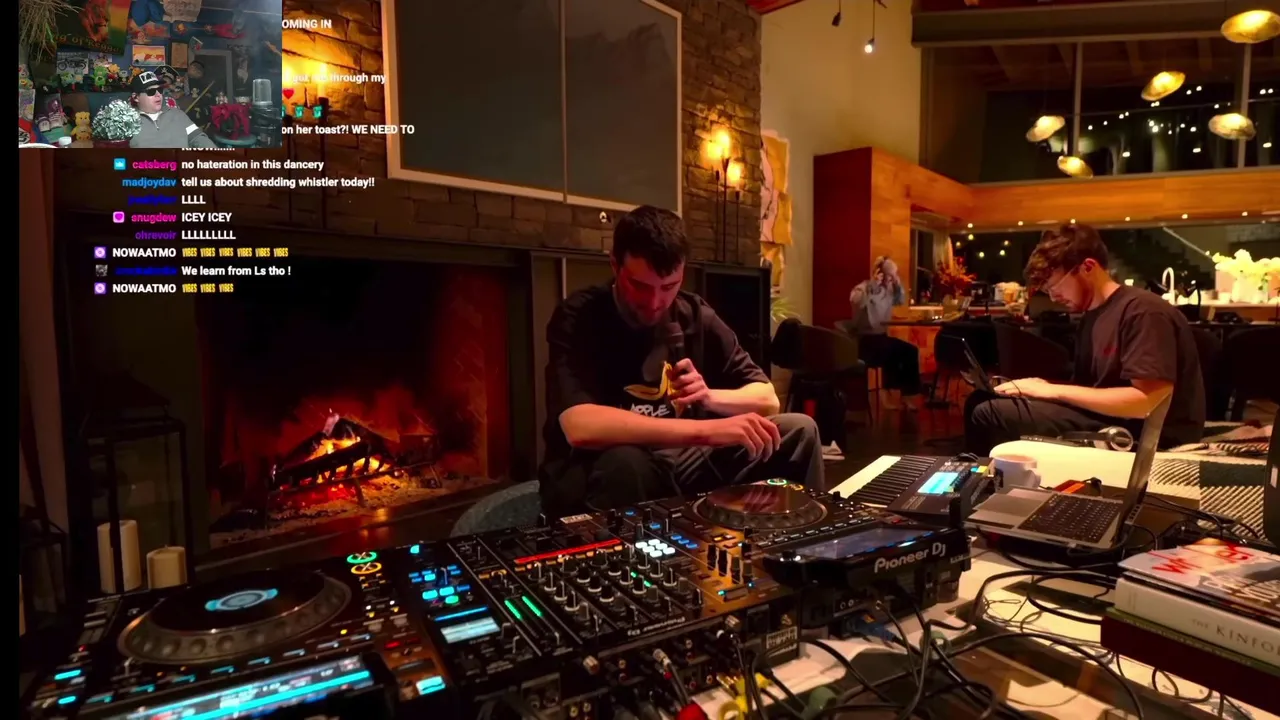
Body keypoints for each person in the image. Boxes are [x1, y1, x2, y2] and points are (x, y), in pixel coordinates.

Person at [539, 205, 824, 517]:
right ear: (614, 264)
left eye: (669, 287)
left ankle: (801, 541)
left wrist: (709, 397)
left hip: (681, 461)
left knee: (798, 431)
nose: (655, 302)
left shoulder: (695, 314)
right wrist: (707, 431)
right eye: (640, 286)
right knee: (626, 463)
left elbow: (767, 400)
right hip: (607, 467)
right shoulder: (579, 316)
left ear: (682, 272)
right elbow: (580, 426)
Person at [965, 224, 1205, 454]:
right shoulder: (1091, 316)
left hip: (1148, 433)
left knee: (990, 412)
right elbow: (1091, 388)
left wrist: (1053, 391)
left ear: (1088, 267)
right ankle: (977, 474)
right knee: (981, 399)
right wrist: (1039, 388)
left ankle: (985, 477)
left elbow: (1148, 402)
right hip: (1109, 416)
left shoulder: (1143, 312)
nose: (1054, 297)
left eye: (1054, 286)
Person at [848, 256, 921, 406]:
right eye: (890, 275)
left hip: (881, 337)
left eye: (894, 275)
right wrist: (872, 287)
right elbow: (855, 301)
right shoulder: (863, 288)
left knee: (911, 351)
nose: (892, 279)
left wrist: (898, 285)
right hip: (865, 341)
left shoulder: (888, 290)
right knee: (892, 351)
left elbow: (900, 301)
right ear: (879, 273)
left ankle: (908, 394)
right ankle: (887, 391)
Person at [128, 71, 216, 149]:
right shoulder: (127, 122)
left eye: (160, 90)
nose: (158, 95)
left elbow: (197, 138)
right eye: (151, 91)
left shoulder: (178, 115)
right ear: (136, 97)